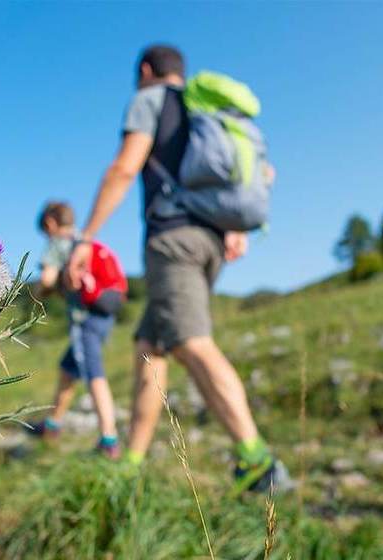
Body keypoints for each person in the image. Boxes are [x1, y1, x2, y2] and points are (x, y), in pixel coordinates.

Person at [68, 45, 290, 493]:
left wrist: (85, 237)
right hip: (210, 241)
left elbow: (125, 167)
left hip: (174, 242)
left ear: (145, 70)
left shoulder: (150, 100)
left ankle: (259, 463)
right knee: (150, 347)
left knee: (191, 342)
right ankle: (131, 462)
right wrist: (232, 227)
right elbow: (262, 175)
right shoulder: (207, 113)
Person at [29, 201, 121, 459]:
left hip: (84, 319)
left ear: (50, 223)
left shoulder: (58, 243)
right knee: (68, 370)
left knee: (93, 373)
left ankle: (109, 440)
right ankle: (52, 425)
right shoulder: (85, 239)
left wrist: (39, 291)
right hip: (104, 314)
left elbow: (47, 279)